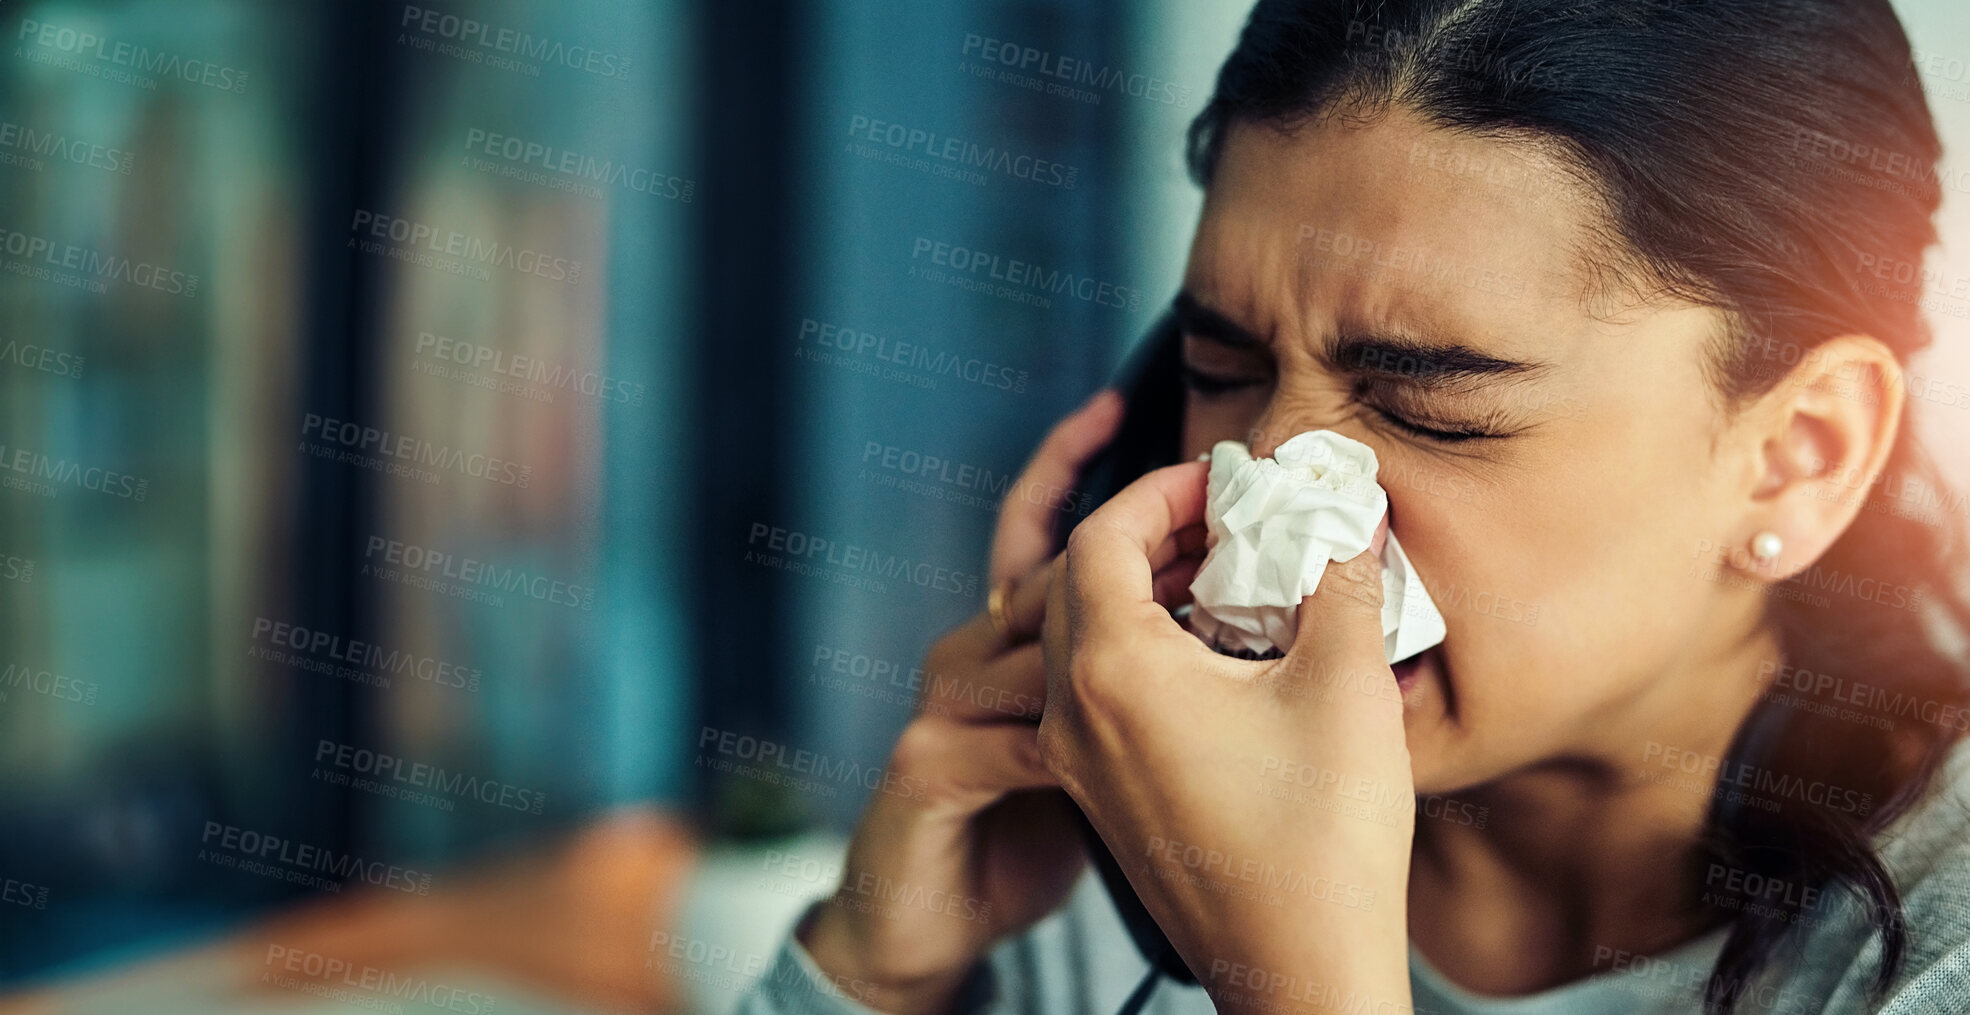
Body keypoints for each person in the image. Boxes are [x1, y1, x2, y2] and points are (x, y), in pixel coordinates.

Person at [743, 1, 1970, 1012]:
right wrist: (877, 973)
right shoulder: (1099, 810)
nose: (1260, 503)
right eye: (1222, 373)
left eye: (1427, 408)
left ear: (1797, 456)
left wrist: (1287, 977)